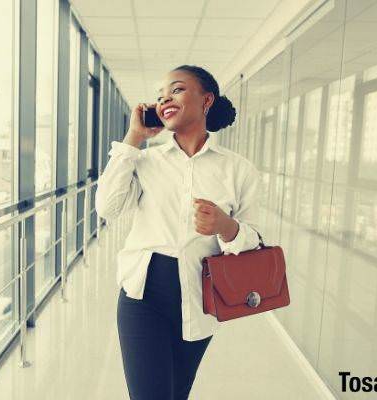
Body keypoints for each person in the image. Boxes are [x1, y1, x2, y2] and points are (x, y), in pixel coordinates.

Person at [95, 65, 263, 400]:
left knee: (175, 394)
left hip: (203, 298)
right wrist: (134, 139)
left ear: (206, 100)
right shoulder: (144, 161)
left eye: (177, 89)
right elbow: (107, 208)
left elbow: (256, 242)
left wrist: (225, 226)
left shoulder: (238, 169)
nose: (165, 99)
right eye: (160, 96)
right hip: (143, 295)